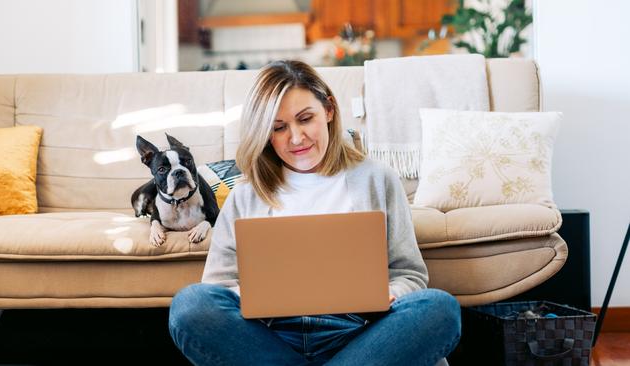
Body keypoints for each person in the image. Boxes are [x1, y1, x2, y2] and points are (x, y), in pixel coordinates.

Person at [168, 60, 461, 366]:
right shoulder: (246, 195)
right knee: (190, 305)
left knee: (439, 309)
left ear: (329, 110)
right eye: (279, 128)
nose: (296, 138)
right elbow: (217, 288)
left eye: (305, 119)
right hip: (271, 337)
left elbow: (409, 274)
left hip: (361, 333)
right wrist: (249, 294)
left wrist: (390, 293)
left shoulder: (377, 179)